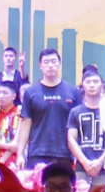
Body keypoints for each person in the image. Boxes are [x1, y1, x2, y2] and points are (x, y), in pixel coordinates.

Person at [20, 48, 81, 177]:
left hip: (65, 153)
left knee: (63, 187)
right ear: (40, 66)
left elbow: (78, 125)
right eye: (46, 62)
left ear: (59, 64)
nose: (50, 65)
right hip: (37, 152)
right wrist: (20, 154)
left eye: (53, 61)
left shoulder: (73, 92)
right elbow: (25, 124)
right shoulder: (31, 92)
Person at [68, 68, 105, 185]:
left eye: (95, 82)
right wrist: (85, 162)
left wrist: (100, 162)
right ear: (83, 86)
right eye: (88, 82)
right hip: (81, 166)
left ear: (102, 86)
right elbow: (71, 139)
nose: (92, 85)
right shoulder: (75, 112)